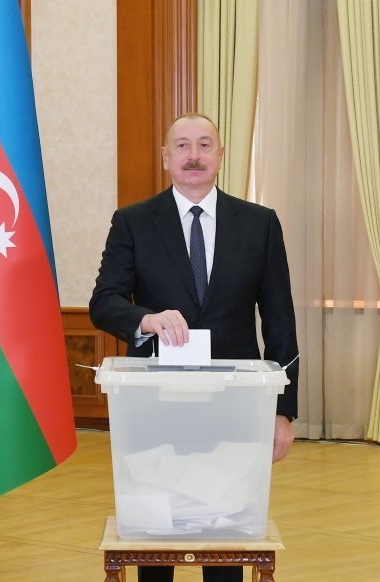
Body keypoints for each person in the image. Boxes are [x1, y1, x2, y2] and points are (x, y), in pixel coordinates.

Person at [89, 113, 298, 582]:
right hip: (154, 407)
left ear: (221, 156)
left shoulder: (260, 224)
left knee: (225, 541)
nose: (194, 155)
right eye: (182, 146)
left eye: (205, 145)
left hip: (234, 407)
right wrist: (145, 319)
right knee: (154, 542)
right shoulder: (133, 222)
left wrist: (282, 411)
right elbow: (104, 302)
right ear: (165, 157)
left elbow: (280, 322)